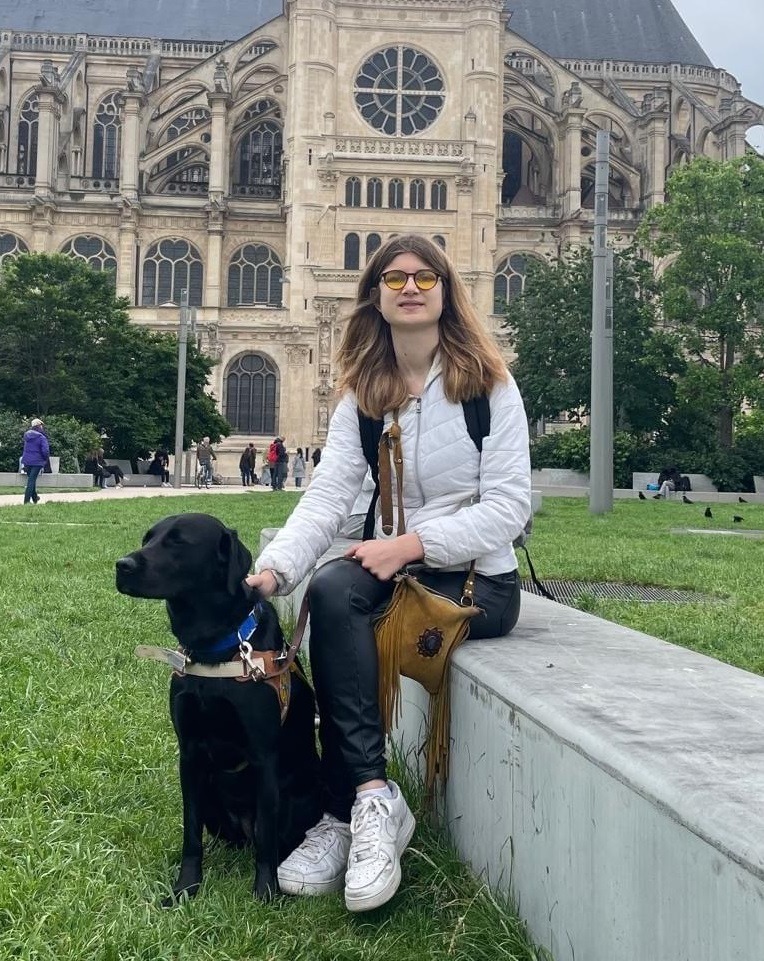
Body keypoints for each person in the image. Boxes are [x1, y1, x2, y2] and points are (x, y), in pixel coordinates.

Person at [246, 234, 531, 913]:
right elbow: (329, 493)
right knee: (330, 588)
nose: (409, 287)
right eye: (395, 277)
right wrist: (274, 568)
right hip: (399, 574)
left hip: (475, 584)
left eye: (424, 277)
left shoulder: (488, 386)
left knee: (354, 603)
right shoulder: (364, 395)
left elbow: (510, 507)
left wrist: (410, 544)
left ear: (445, 292)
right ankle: (368, 801)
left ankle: (352, 811)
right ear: (374, 294)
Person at [21, 417, 50, 504]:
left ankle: (34, 498)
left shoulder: (27, 436)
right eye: (41, 425)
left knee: (31, 479)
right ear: (39, 426)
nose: (42, 427)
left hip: (27, 461)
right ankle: (26, 501)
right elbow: (45, 451)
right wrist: (45, 459)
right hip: (37, 462)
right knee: (31, 480)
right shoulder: (41, 437)